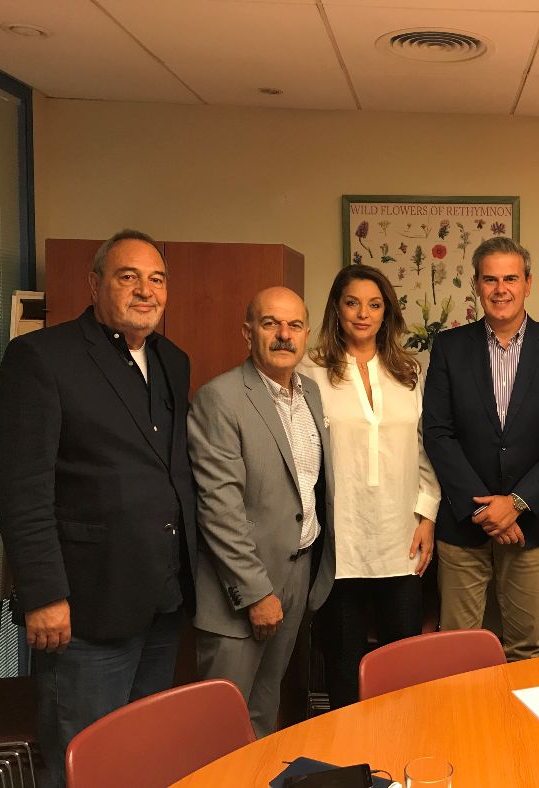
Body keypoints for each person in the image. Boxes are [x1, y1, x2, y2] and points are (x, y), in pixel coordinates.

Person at [0, 229, 197, 786]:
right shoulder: (42, 358)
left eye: (157, 279)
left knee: (142, 756)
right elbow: (20, 488)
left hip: (161, 598)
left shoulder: (172, 361)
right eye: (128, 277)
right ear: (95, 283)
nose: (145, 291)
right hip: (84, 607)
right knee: (84, 763)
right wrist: (43, 594)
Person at [422, 237, 539, 661]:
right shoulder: (449, 347)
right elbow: (438, 433)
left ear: (528, 283)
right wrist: (484, 510)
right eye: (490, 279)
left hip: (532, 524)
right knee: (457, 650)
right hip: (464, 523)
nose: (501, 289)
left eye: (510, 279)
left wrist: (515, 503)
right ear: (476, 285)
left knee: (525, 648)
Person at [187, 286, 334, 737]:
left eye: (294, 325)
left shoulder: (310, 393)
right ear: (248, 333)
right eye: (271, 324)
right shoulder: (221, 398)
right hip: (243, 589)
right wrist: (255, 594)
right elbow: (219, 508)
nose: (284, 335)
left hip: (298, 572)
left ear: (306, 333)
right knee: (221, 726)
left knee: (264, 715)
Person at [300, 265, 441, 708]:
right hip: (340, 540)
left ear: (387, 313)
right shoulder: (310, 370)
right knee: (342, 663)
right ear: (336, 309)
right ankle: (348, 745)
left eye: (374, 304)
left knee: (402, 663)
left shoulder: (408, 372)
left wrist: (427, 516)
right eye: (352, 303)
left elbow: (425, 449)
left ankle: (400, 740)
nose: (363, 314)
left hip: (401, 536)